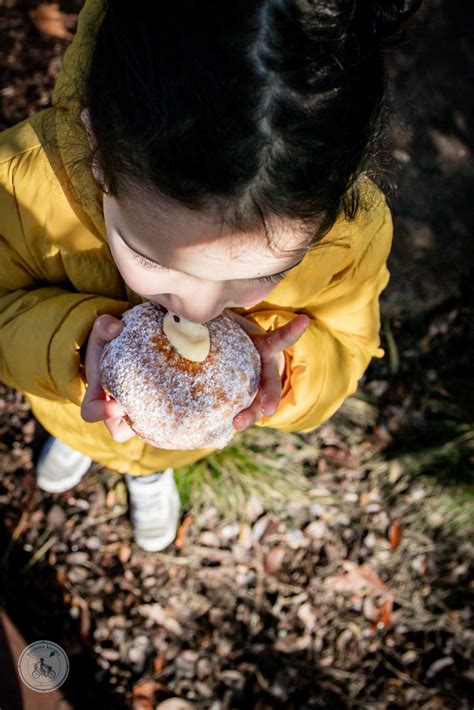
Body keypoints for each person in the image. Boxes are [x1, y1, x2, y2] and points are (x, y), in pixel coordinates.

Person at [0, 0, 421, 552]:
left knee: (150, 460)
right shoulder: (18, 187)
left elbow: (348, 343)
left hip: (186, 440)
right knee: (83, 431)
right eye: (152, 258)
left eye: (270, 272)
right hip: (68, 407)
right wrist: (73, 353)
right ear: (98, 150)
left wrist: (288, 369)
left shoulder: (349, 233)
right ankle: (83, 446)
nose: (198, 311)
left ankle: (148, 475)